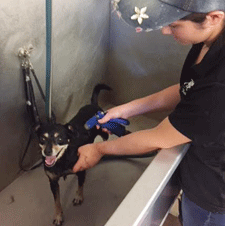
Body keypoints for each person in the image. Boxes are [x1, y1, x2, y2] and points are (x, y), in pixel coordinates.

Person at [73, 0, 225, 225]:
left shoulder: (219, 86)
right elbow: (187, 89)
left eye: (174, 25)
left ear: (213, 18)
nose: (164, 30)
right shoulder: (208, 39)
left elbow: (158, 137)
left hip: (213, 190)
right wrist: (125, 109)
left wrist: (99, 149)